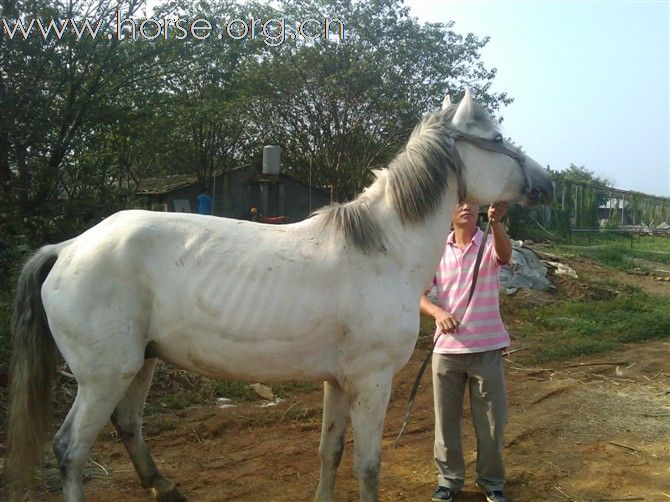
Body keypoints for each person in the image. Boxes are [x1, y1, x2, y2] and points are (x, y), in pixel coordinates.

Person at [421, 201, 512, 502]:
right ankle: (449, 479)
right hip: (446, 351)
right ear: (447, 211)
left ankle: (491, 481)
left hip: (486, 348)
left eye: (472, 203)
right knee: (445, 420)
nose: (466, 207)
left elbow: (505, 256)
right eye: (459, 203)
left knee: (491, 422)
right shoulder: (436, 250)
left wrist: (496, 223)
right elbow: (418, 294)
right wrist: (437, 313)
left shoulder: (487, 241)